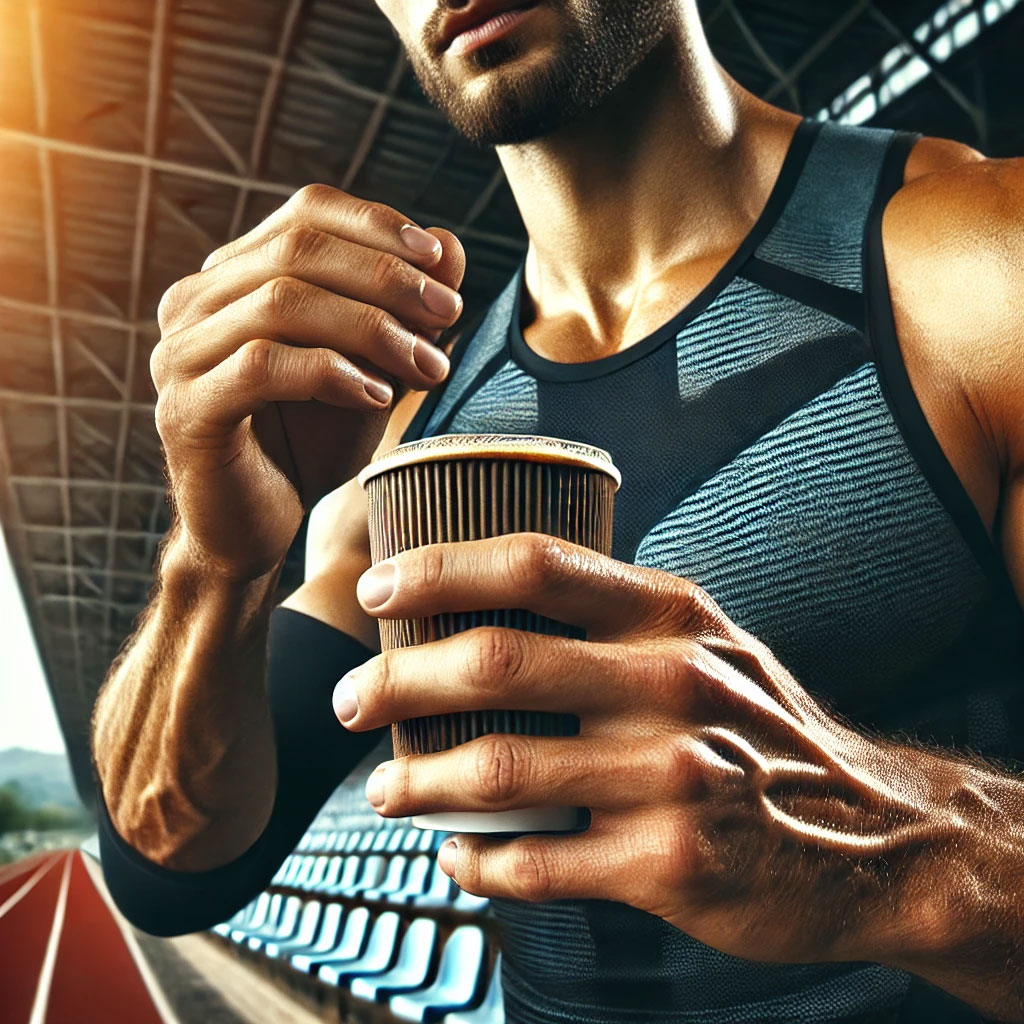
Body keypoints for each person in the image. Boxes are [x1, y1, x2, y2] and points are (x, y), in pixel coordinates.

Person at [90, 1, 1024, 1021]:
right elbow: (172, 865)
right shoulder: (415, 440)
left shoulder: (980, 269)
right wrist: (217, 564)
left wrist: (911, 864)